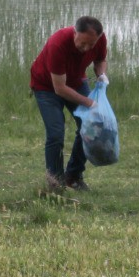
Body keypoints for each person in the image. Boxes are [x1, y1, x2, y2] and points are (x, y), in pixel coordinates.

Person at [29, 16, 109, 191]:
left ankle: (73, 176)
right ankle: (55, 182)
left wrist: (101, 75)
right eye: (82, 44)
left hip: (75, 80)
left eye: (91, 45)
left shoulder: (100, 39)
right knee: (56, 134)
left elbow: (100, 60)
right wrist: (90, 103)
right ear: (74, 32)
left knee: (91, 126)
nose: (86, 48)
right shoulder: (58, 43)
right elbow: (60, 89)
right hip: (47, 87)